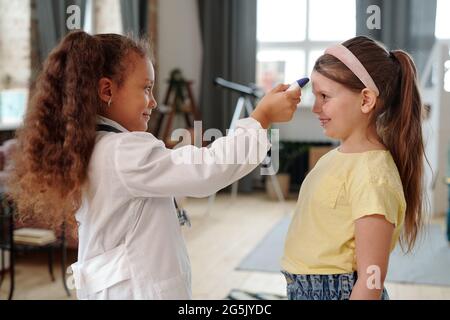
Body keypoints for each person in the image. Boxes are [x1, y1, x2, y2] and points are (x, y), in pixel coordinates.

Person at [6, 30, 300, 299]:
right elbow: (210, 168)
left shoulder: (96, 146)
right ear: (107, 91)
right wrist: (261, 118)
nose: (154, 102)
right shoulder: (120, 151)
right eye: (146, 88)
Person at [281, 36, 426, 300]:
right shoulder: (334, 157)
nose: (315, 107)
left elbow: (371, 281)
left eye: (324, 96)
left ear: (366, 100)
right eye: (315, 95)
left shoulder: (373, 175)